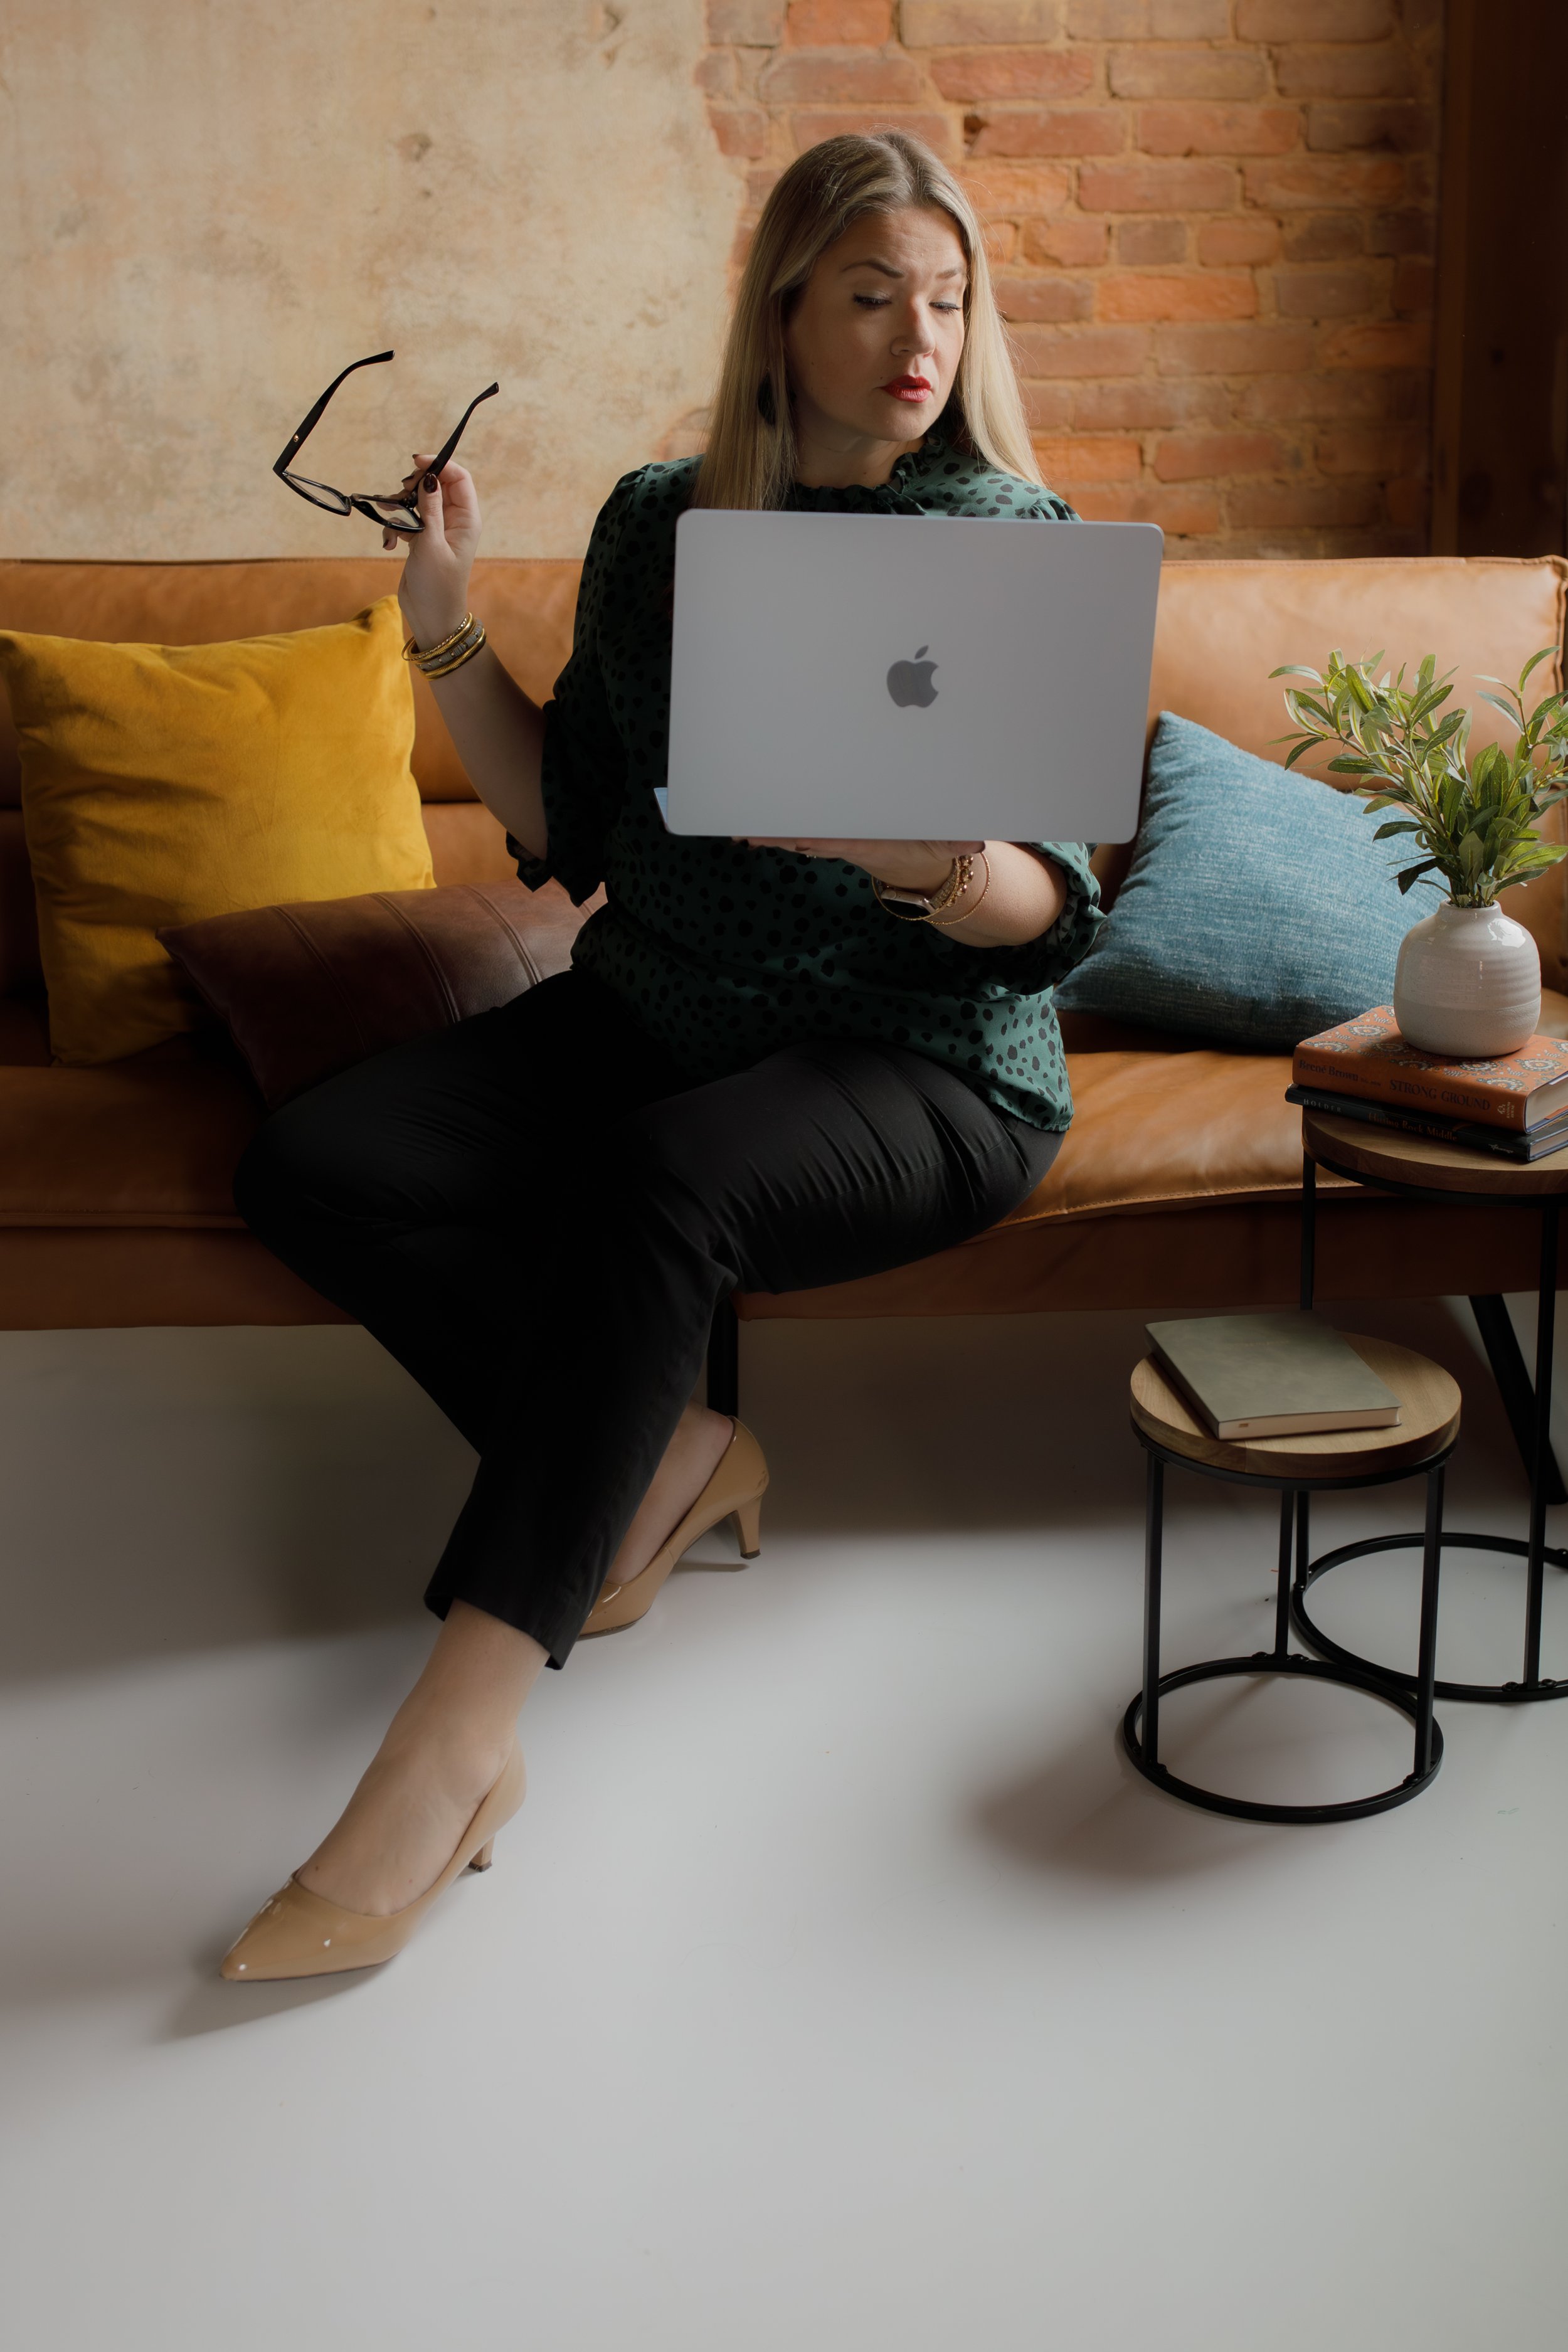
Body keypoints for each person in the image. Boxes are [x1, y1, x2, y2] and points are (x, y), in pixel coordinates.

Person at [220, 130, 1103, 1982]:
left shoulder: (1012, 542)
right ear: (780, 312)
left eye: (944, 302)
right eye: (870, 296)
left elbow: (1052, 905)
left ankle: (453, 1742)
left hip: (924, 1053)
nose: (914, 339)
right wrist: (444, 627)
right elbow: (578, 824)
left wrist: (929, 856)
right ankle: (677, 1447)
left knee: (661, 1181)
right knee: (313, 1164)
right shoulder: (659, 522)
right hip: (659, 1011)